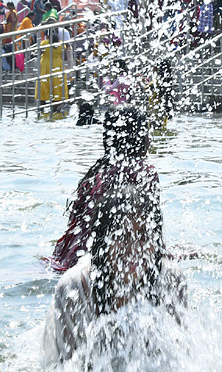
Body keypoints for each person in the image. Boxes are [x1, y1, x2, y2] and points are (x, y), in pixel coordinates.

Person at [43, 183, 186, 365]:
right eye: (122, 236)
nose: (134, 248)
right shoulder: (73, 288)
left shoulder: (171, 280)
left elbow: (181, 357)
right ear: (103, 242)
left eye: (143, 236)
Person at [50, 106, 160, 273]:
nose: (150, 140)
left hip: (69, 256)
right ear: (140, 137)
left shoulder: (97, 171)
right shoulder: (144, 173)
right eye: (147, 133)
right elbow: (149, 230)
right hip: (106, 261)